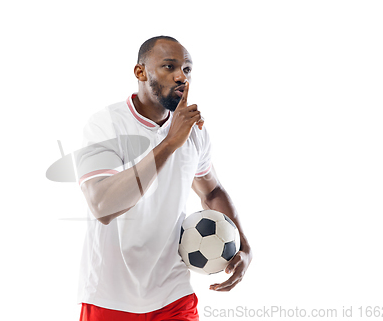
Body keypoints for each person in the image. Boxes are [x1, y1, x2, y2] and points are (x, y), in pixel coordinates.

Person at [76, 35, 252, 321]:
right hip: (109, 297)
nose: (181, 76)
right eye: (169, 67)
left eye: (187, 69)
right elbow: (102, 206)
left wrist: (243, 246)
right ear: (140, 72)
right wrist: (169, 143)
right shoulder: (105, 124)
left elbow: (212, 192)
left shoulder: (194, 131)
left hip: (173, 295)